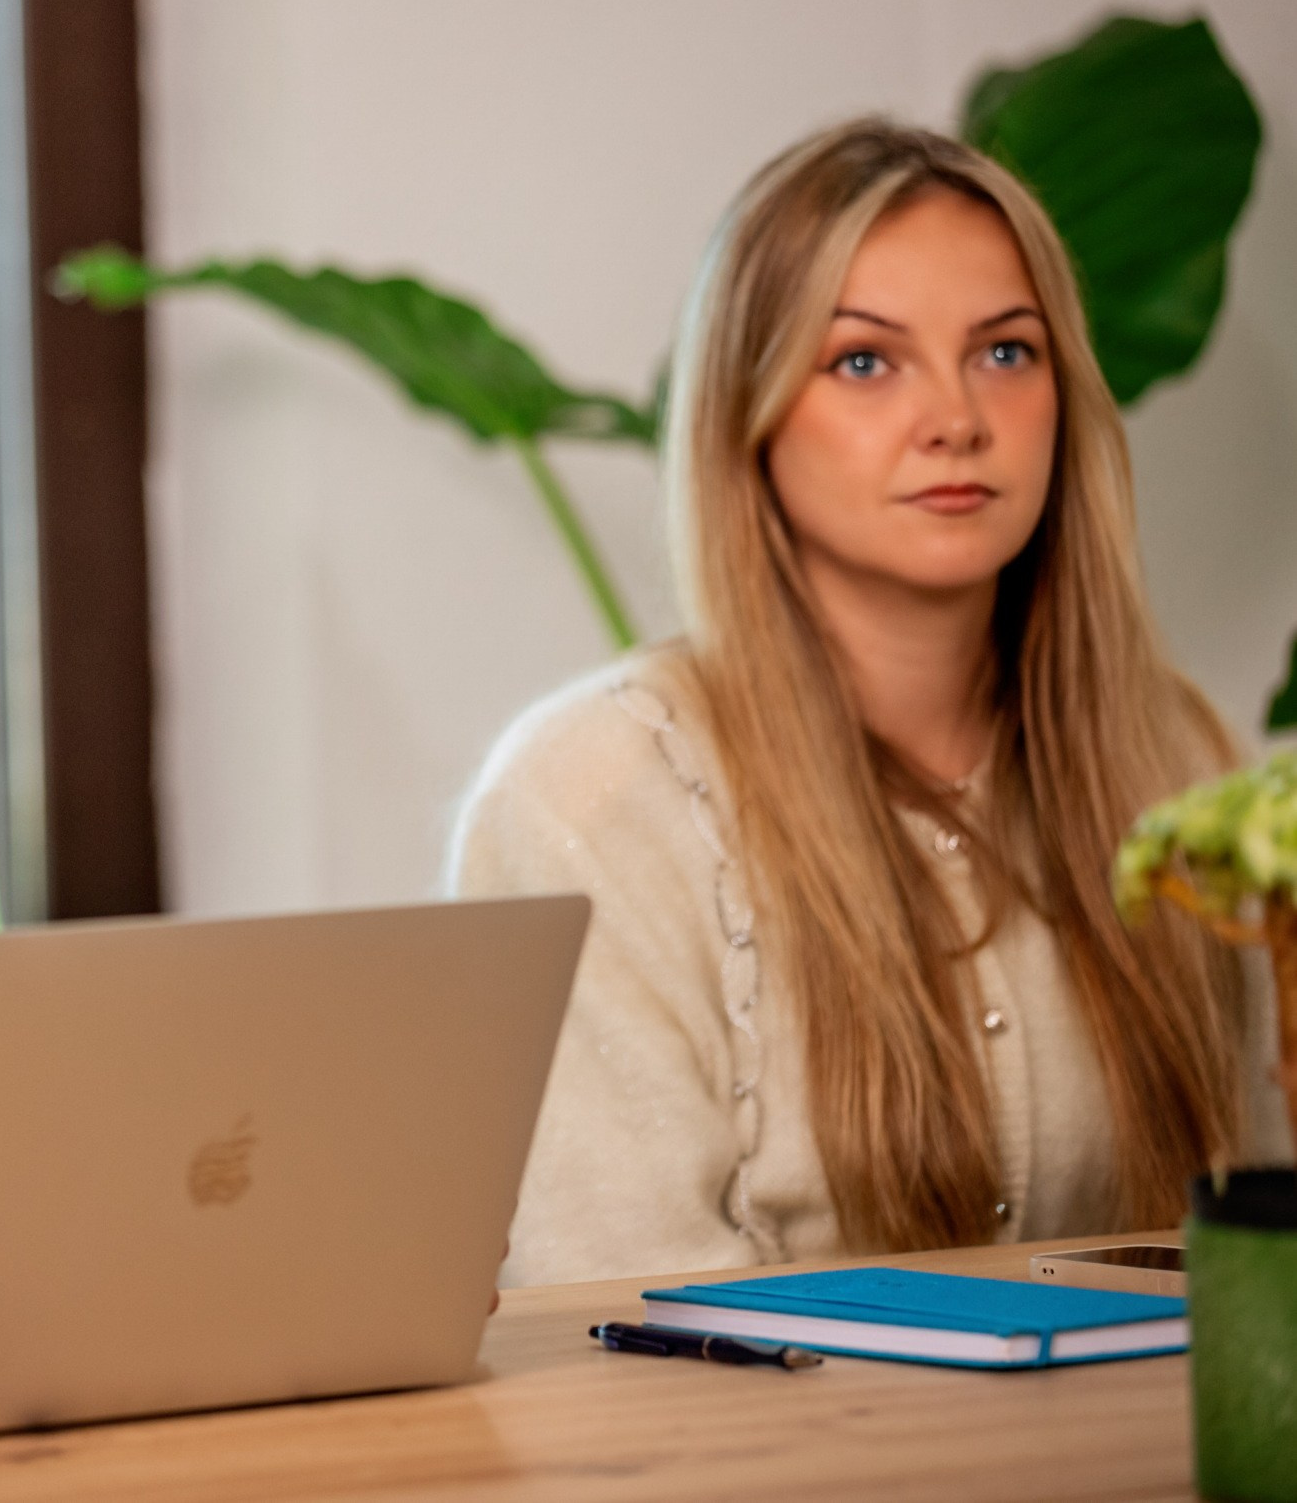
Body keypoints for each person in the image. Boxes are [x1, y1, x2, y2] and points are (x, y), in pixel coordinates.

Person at [447, 118, 1291, 1287]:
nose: (955, 417)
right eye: (863, 361)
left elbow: (1264, 1257)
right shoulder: (587, 801)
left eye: (1005, 351)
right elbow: (618, 1332)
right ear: (747, 418)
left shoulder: (1177, 758)